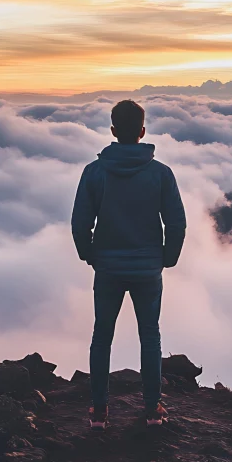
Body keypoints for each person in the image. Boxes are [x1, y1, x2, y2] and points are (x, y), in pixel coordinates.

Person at [71, 100, 187, 430]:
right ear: (142, 131)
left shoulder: (94, 173)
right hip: (148, 269)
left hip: (107, 268)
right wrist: (168, 257)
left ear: (112, 131)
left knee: (101, 335)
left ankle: (100, 411)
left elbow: (81, 224)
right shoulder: (161, 174)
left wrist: (89, 254)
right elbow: (176, 224)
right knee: (150, 336)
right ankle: (152, 410)